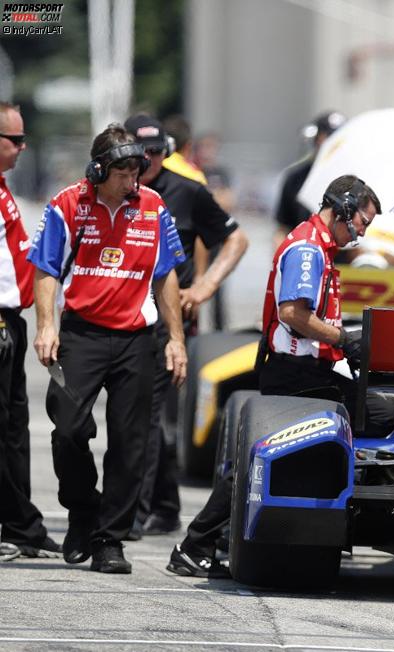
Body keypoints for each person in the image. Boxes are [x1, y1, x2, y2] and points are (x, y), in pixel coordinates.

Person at [166, 174, 394, 577]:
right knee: (378, 415)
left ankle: (208, 541)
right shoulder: (308, 250)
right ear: (343, 209)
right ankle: (197, 543)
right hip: (295, 375)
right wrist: (345, 339)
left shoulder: (319, 246)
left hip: (303, 371)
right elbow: (293, 314)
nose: (363, 232)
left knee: (264, 456)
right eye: (363, 221)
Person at [27, 124, 188, 573]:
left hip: (138, 339)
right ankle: (82, 511)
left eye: (137, 171)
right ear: (98, 170)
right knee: (69, 430)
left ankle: (109, 540)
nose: (132, 181)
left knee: (131, 444)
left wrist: (175, 340)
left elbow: (167, 275)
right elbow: (45, 269)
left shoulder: (153, 207)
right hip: (81, 336)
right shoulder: (67, 205)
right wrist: (46, 326)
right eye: (122, 173)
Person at [123, 114, 250, 538]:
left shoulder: (187, 190)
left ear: (168, 151)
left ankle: (134, 512)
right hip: (118, 316)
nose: (148, 160)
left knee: (151, 414)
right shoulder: (114, 190)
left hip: (167, 321)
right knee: (139, 417)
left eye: (157, 152)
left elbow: (236, 239)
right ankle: (164, 505)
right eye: (140, 153)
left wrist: (205, 287)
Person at [0, 102, 61, 561]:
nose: (22, 147)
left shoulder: (3, 189)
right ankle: (19, 524)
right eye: (14, 140)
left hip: (12, 324)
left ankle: (21, 527)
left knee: (16, 430)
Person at [273, 111, 346, 246]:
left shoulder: (356, 180)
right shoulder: (296, 178)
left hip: (345, 264)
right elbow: (283, 227)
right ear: (317, 138)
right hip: (305, 258)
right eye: (328, 136)